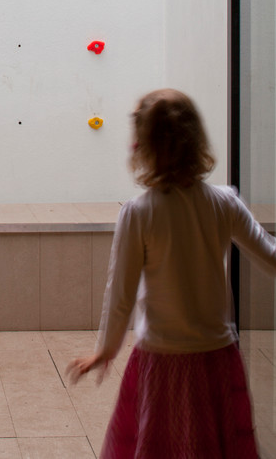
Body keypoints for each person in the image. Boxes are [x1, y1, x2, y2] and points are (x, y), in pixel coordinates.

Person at [67, 88, 276, 458]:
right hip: (217, 356)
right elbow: (270, 255)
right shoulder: (225, 203)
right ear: (196, 141)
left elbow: (121, 294)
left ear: (143, 146)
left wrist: (106, 350)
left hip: (161, 361)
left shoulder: (139, 213)